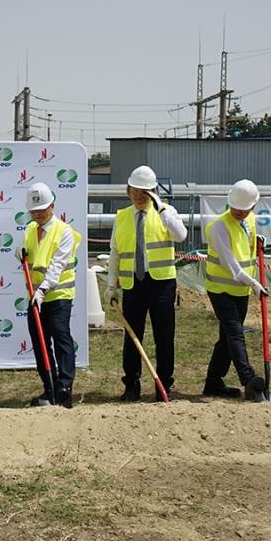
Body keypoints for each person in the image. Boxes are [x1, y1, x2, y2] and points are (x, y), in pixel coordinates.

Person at [103, 165, 187, 401]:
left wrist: (161, 208)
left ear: (153, 192)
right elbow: (115, 252)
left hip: (161, 285)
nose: (139, 196)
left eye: (145, 192)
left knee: (164, 336)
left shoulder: (167, 212)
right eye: (135, 191)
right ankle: (131, 385)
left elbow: (181, 236)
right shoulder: (122, 217)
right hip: (132, 285)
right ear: (128, 190)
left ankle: (164, 385)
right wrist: (111, 285)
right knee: (132, 337)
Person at [16, 182, 82, 408]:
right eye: (33, 211)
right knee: (40, 342)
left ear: (52, 207)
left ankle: (64, 388)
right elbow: (33, 261)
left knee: (61, 337)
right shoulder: (29, 230)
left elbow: (57, 265)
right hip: (35, 298)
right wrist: (20, 253)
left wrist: (43, 290)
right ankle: (49, 388)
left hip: (58, 295)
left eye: (41, 210)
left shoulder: (64, 231)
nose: (37, 215)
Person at [202, 179, 268, 401]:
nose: (239, 213)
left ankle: (213, 382)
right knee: (235, 332)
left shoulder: (250, 219)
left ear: (253, 207)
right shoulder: (219, 227)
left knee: (227, 339)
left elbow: (245, 245)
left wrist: (256, 240)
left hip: (241, 290)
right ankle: (248, 379)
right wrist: (255, 284)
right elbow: (232, 266)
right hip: (220, 288)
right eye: (236, 208)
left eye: (244, 209)